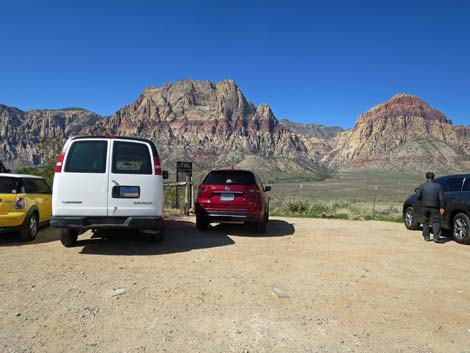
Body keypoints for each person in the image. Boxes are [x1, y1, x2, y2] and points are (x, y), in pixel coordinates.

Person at [416, 172, 445, 243]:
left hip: (424, 206)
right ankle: (436, 237)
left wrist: (419, 195)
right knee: (436, 222)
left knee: (425, 222)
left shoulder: (422, 186)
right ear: (433, 177)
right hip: (435, 207)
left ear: (426, 177)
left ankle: (426, 236)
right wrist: (442, 207)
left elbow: (418, 196)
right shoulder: (438, 186)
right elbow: (441, 198)